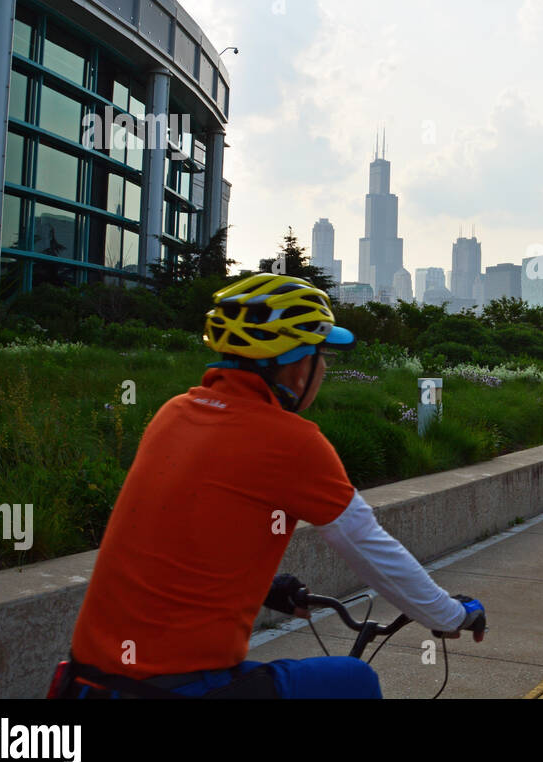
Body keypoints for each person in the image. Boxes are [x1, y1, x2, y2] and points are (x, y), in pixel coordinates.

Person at [56, 273, 486, 699]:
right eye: (323, 358)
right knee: (354, 681)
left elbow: (179, 540)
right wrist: (450, 616)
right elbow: (372, 549)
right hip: (179, 688)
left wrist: (267, 588)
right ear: (298, 365)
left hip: (87, 682)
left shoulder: (174, 414)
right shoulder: (293, 442)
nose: (322, 371)